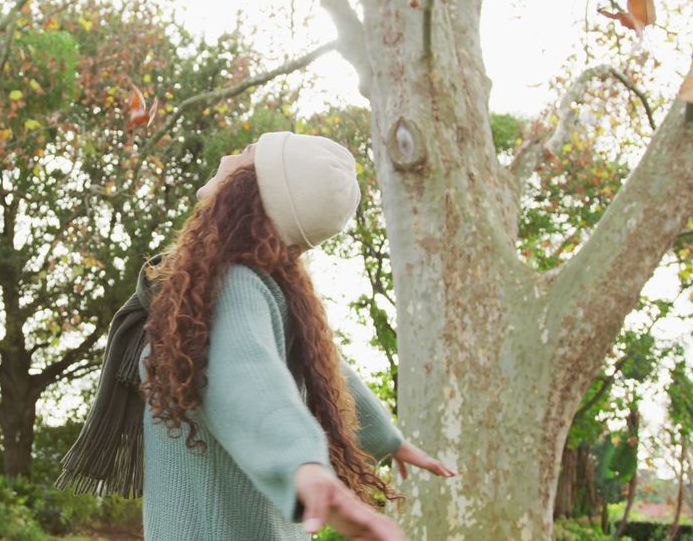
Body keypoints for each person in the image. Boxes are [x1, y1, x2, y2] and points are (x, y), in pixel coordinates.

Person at [138, 132, 456, 540]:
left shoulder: (228, 288)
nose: (231, 154)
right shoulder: (269, 290)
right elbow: (329, 376)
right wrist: (388, 438)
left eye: (247, 153)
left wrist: (302, 462)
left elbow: (250, 377)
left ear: (250, 190)